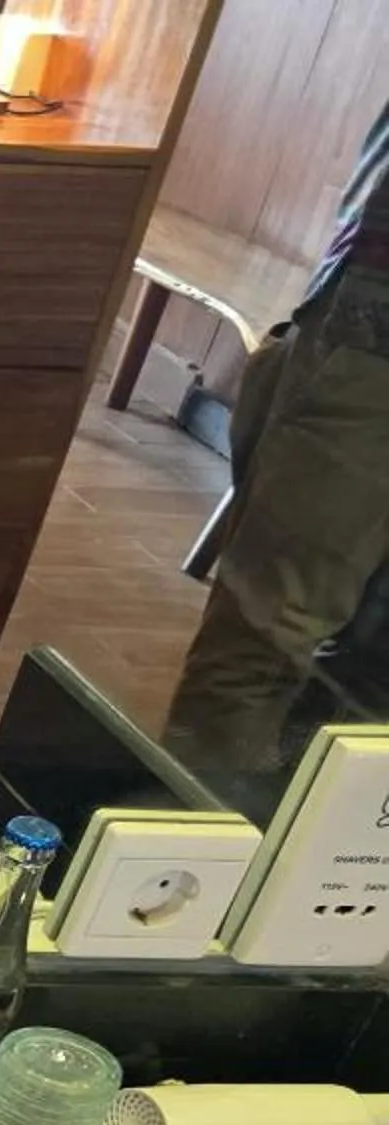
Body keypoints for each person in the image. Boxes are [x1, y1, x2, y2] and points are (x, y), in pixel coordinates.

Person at [162, 98, 389, 796]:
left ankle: (308, 881)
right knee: (268, 635)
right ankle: (175, 871)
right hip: (377, 328)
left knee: (361, 664)